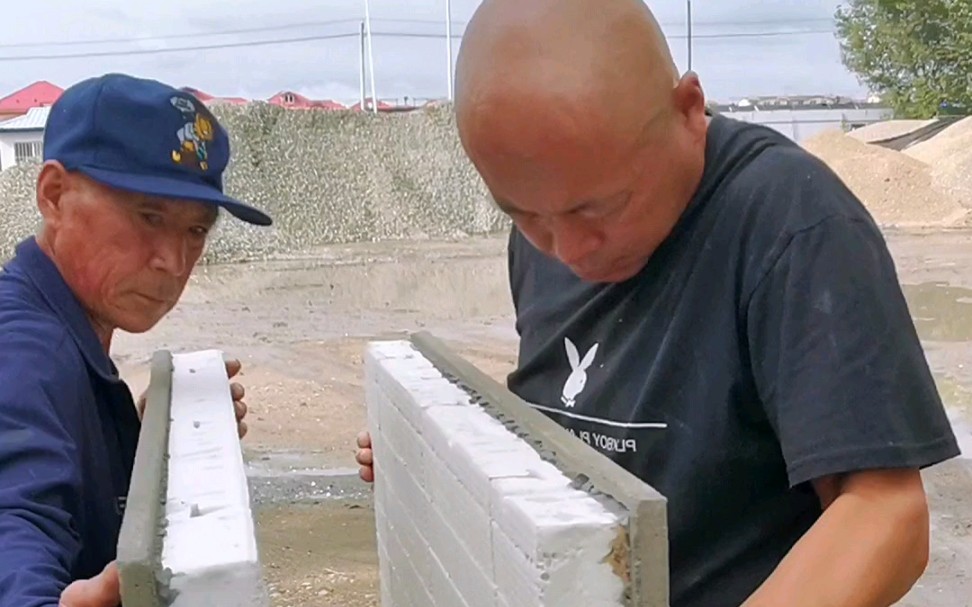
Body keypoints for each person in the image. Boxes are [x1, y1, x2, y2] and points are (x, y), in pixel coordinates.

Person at [355, 0, 962, 605]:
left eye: (600, 210)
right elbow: (567, 421)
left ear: (689, 111)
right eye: (525, 215)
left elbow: (886, 516)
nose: (568, 250)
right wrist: (445, 457)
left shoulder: (791, 224)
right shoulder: (552, 217)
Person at [0, 73, 273, 607]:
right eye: (149, 217)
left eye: (196, 230)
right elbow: (15, 513)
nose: (173, 262)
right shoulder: (28, 352)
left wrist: (143, 447)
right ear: (54, 195)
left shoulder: (68, 339)